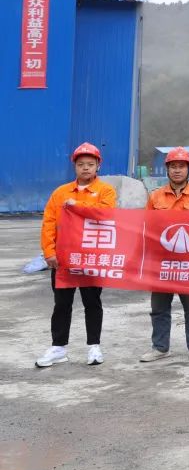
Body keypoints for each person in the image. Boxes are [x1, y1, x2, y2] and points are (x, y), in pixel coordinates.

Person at [36, 142, 118, 368]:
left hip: (91, 257)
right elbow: (49, 223)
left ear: (98, 166)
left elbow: (105, 214)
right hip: (64, 259)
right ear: (75, 166)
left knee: (92, 302)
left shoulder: (106, 191)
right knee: (61, 304)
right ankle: (58, 347)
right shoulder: (60, 193)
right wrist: (49, 252)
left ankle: (94, 347)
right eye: (81, 164)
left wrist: (77, 205)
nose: (85, 168)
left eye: (90, 164)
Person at [141, 147, 189, 363]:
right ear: (167, 170)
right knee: (159, 306)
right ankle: (160, 347)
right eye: (173, 166)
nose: (177, 170)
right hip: (162, 261)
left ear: (188, 169)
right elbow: (146, 226)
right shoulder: (155, 197)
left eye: (181, 166)